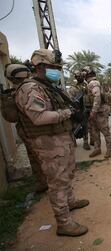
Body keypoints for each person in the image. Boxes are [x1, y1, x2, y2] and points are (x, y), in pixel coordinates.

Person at [15, 49, 89, 237]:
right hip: (48, 143)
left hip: (61, 139)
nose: (57, 70)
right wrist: (67, 113)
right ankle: (64, 223)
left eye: (58, 67)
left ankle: (70, 202)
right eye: (53, 67)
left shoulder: (48, 85)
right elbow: (38, 117)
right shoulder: (30, 88)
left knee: (67, 175)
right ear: (40, 66)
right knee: (57, 182)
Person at [5, 64, 48, 193]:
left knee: (35, 158)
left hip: (27, 131)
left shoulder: (16, 91)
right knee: (43, 158)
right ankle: (47, 182)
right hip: (36, 131)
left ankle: (42, 181)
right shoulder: (30, 89)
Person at [82, 66, 111, 158]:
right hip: (95, 111)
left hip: (100, 111)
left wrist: (93, 111)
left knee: (105, 131)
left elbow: (97, 97)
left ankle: (109, 150)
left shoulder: (93, 83)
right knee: (95, 132)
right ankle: (97, 149)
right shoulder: (89, 83)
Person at [68, 70, 90, 150]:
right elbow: (70, 99)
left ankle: (86, 142)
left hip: (85, 108)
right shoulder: (73, 87)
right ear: (75, 77)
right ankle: (74, 141)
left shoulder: (86, 85)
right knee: (75, 126)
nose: (79, 78)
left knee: (85, 126)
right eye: (78, 76)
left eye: (81, 76)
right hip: (77, 109)